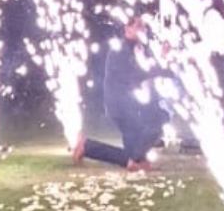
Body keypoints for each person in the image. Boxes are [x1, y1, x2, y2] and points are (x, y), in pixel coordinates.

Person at [71, 14, 168, 171]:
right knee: (157, 121)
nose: (143, 29)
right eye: (138, 26)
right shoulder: (119, 50)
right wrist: (159, 68)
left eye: (144, 26)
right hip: (123, 108)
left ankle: (87, 147)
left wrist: (163, 59)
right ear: (127, 29)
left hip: (136, 107)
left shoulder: (143, 49)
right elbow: (135, 76)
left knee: (133, 155)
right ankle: (133, 160)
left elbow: (150, 70)